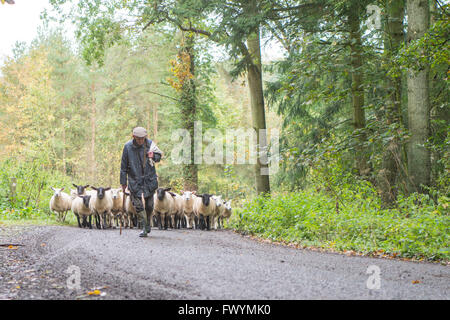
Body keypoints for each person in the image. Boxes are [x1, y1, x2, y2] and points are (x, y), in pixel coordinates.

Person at [120, 127, 162, 237]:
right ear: (133, 137)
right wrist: (123, 182)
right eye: (138, 139)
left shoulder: (150, 144)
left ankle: (148, 221)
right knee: (138, 205)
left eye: (142, 138)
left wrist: (154, 156)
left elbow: (159, 156)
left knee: (149, 205)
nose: (140, 141)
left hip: (149, 178)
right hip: (134, 179)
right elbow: (123, 166)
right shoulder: (127, 147)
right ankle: (144, 226)